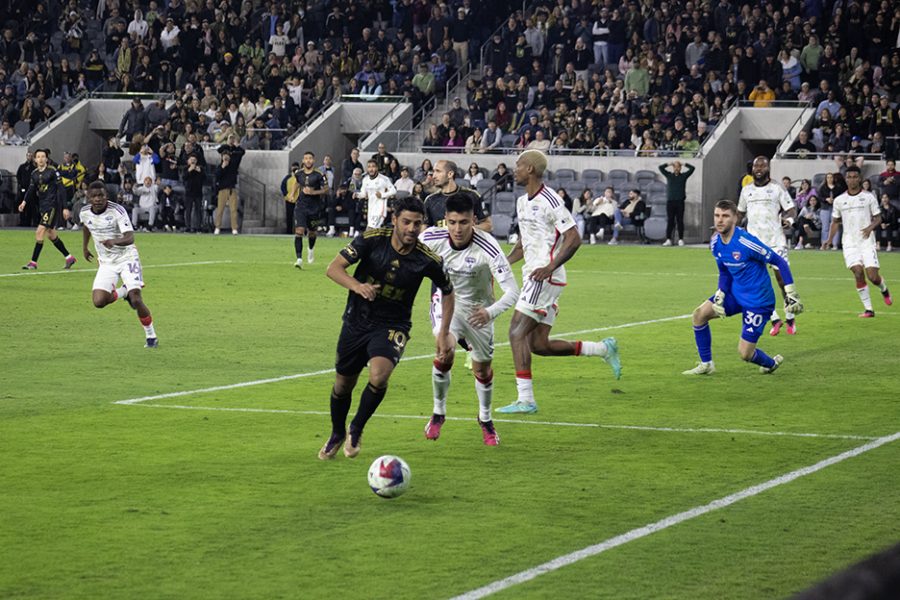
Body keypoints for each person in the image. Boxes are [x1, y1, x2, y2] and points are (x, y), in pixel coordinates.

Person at [317, 196, 455, 460]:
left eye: (417, 224)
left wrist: (444, 331)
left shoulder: (428, 259)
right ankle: (337, 433)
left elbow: (449, 292)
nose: (411, 229)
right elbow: (333, 268)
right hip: (357, 320)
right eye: (406, 222)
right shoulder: (371, 239)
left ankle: (356, 428)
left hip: (393, 325)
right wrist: (357, 286)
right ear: (394, 220)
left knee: (379, 376)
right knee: (343, 384)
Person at [497, 150, 621, 415]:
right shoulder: (522, 202)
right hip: (535, 274)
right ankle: (602, 349)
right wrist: (505, 263)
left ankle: (526, 399)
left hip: (544, 275)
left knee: (516, 332)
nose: (514, 169)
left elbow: (573, 238)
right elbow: (525, 242)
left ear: (530, 169)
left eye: (518, 165)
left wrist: (549, 267)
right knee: (538, 345)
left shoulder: (551, 200)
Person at [419, 194, 519, 445]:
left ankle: (485, 419)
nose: (457, 229)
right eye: (452, 222)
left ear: (474, 220)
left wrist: (489, 312)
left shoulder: (489, 247)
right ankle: (438, 413)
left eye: (463, 222)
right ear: (445, 220)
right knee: (444, 352)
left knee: (482, 370)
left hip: (480, 311)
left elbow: (513, 292)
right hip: (446, 303)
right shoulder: (431, 238)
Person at [683, 199, 802, 376]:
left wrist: (791, 293)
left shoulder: (746, 242)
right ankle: (706, 364)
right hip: (735, 294)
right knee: (699, 315)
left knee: (745, 354)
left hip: (758, 301)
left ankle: (770, 363)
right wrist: (721, 293)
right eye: (717, 216)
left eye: (725, 216)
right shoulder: (716, 243)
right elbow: (724, 272)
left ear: (735, 219)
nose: (720, 220)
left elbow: (779, 261)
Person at [80, 181, 158, 348]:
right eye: (94, 196)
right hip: (106, 262)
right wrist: (85, 247)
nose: (98, 199)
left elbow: (130, 237)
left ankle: (151, 335)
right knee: (99, 302)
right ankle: (123, 292)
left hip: (127, 258)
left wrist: (113, 241)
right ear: (88, 198)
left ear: (106, 195)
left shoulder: (117, 211)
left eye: (101, 195)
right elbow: (87, 226)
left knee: (136, 299)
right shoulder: (85, 212)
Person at [738, 156, 799, 336]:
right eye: (756, 165)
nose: (758, 169)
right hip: (753, 244)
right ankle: (774, 319)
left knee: (782, 281)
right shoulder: (746, 190)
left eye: (762, 166)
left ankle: (790, 317)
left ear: (768, 169)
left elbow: (791, 208)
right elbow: (740, 213)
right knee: (756, 285)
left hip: (775, 241)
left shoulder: (776, 188)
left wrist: (788, 219)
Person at [823, 166, 892, 317]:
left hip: (866, 241)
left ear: (859, 179)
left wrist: (870, 227)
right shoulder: (840, 200)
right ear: (845, 179)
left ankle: (884, 289)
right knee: (858, 272)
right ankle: (869, 309)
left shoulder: (869, 197)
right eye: (849, 177)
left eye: (855, 177)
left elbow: (879, 217)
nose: (852, 179)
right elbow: (835, 222)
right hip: (849, 242)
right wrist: (828, 240)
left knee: (873, 277)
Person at [18, 149, 77, 270]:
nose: (40, 159)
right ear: (35, 159)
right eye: (38, 157)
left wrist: (65, 208)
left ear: (46, 159)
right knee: (51, 235)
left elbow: (61, 189)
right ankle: (69, 257)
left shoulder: (52, 171)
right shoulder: (34, 173)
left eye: (42, 156)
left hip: (52, 206)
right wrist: (24, 202)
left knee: (39, 232)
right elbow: (31, 189)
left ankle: (33, 262)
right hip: (42, 206)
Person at [424, 160, 492, 232]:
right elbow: (424, 228)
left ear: (450, 174)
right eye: (433, 171)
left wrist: (469, 229)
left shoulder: (472, 196)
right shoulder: (430, 200)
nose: (434, 176)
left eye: (438, 171)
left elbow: (488, 225)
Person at [294, 151, 328, 268]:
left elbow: (326, 190)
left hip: (314, 208)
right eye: (306, 158)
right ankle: (299, 259)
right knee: (299, 231)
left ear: (313, 160)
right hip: (301, 206)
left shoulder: (319, 174)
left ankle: (311, 249)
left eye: (310, 158)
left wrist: (313, 192)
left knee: (312, 232)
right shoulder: (298, 173)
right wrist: (292, 195)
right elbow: (297, 183)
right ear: (303, 160)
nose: (308, 160)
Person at [658, 160, 695, 246]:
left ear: (680, 168)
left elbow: (692, 168)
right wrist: (669, 163)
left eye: (678, 167)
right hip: (670, 201)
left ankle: (681, 239)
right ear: (673, 168)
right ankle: (668, 239)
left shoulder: (683, 176)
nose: (676, 168)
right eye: (675, 167)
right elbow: (661, 168)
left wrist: (684, 163)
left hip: (680, 201)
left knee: (680, 220)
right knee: (670, 220)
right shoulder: (669, 175)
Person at [359, 158, 396, 231]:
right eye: (369, 167)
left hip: (380, 209)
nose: (371, 169)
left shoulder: (384, 179)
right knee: (374, 232)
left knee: (370, 230)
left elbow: (393, 191)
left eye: (373, 166)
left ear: (377, 168)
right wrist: (356, 195)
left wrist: (382, 195)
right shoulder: (365, 179)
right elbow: (363, 194)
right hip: (371, 209)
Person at [213, 153, 239, 235]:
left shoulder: (233, 167)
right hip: (222, 190)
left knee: (233, 210)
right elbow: (217, 176)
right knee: (220, 209)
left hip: (231, 189)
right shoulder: (219, 166)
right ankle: (217, 227)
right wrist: (222, 167)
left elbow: (234, 175)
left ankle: (234, 228)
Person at [281, 162, 301, 235]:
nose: (295, 168)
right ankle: (289, 231)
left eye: (296, 167)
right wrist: (286, 195)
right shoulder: (287, 178)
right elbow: (283, 187)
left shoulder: (301, 177)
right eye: (293, 167)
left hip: (299, 200)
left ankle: (300, 231)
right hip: (289, 200)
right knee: (289, 216)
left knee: (299, 217)